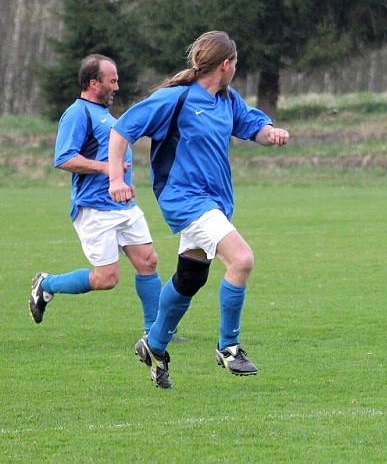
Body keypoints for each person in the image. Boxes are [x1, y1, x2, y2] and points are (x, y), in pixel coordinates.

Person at [108, 31, 289, 389]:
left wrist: (272, 132)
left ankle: (155, 345)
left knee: (191, 277)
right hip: (184, 198)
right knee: (242, 259)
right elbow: (122, 129)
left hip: (215, 202)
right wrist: (116, 178)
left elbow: (253, 126)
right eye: (235, 63)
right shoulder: (175, 99)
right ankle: (229, 346)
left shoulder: (226, 101)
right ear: (226, 64)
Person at [29, 54, 161, 337]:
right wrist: (106, 168)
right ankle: (46, 284)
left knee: (148, 261)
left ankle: (157, 333)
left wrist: (124, 182)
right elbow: (64, 158)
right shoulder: (78, 113)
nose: (117, 86)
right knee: (106, 279)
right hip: (94, 209)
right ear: (93, 82)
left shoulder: (107, 116)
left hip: (123, 206)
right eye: (112, 80)